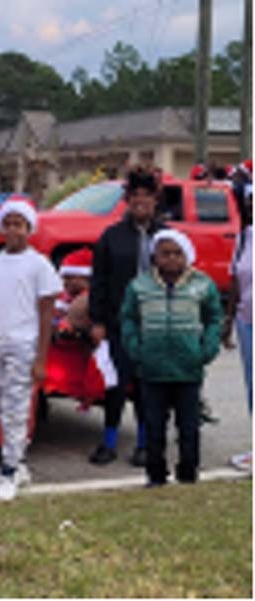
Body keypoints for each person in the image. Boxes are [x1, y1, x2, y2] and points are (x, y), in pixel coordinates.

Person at [0, 199, 61, 501]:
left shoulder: (39, 265)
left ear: (29, 229)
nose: (12, 230)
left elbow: (46, 314)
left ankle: (9, 469)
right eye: (7, 224)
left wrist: (41, 359)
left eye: (18, 225)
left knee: (16, 407)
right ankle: (17, 463)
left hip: (23, 343)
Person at [121, 230, 222, 486]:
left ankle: (188, 473)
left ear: (187, 256)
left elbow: (213, 318)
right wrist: (135, 349)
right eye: (165, 253)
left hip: (188, 367)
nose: (171, 259)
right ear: (155, 256)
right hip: (151, 368)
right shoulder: (139, 285)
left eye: (178, 254)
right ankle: (156, 474)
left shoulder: (202, 284)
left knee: (188, 426)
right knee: (154, 425)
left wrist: (206, 349)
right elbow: (128, 318)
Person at [88, 167, 166, 467]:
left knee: (148, 386)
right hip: (120, 323)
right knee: (115, 386)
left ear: (155, 200)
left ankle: (145, 445)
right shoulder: (112, 237)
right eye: (135, 196)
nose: (141, 201)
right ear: (127, 200)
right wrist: (97, 321)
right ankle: (108, 443)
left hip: (156, 325)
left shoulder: (166, 237)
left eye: (147, 196)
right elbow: (100, 281)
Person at [224, 182, 253, 471]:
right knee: (252, 387)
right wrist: (228, 322)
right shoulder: (245, 237)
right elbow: (234, 280)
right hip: (247, 322)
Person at [55, 247, 93, 333]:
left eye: (69, 278)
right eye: (64, 278)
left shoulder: (89, 300)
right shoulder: (63, 298)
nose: (65, 282)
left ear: (85, 277)